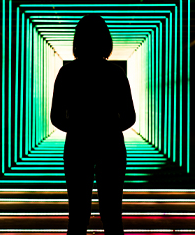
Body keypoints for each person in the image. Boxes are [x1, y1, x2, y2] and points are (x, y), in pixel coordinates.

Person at [50, 14, 136, 235]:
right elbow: (130, 117)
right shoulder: (115, 74)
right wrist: (107, 126)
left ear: (78, 40)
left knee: (77, 216)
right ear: (105, 40)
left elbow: (56, 117)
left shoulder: (67, 73)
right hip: (111, 148)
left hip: (78, 147)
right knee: (112, 216)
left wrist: (80, 127)